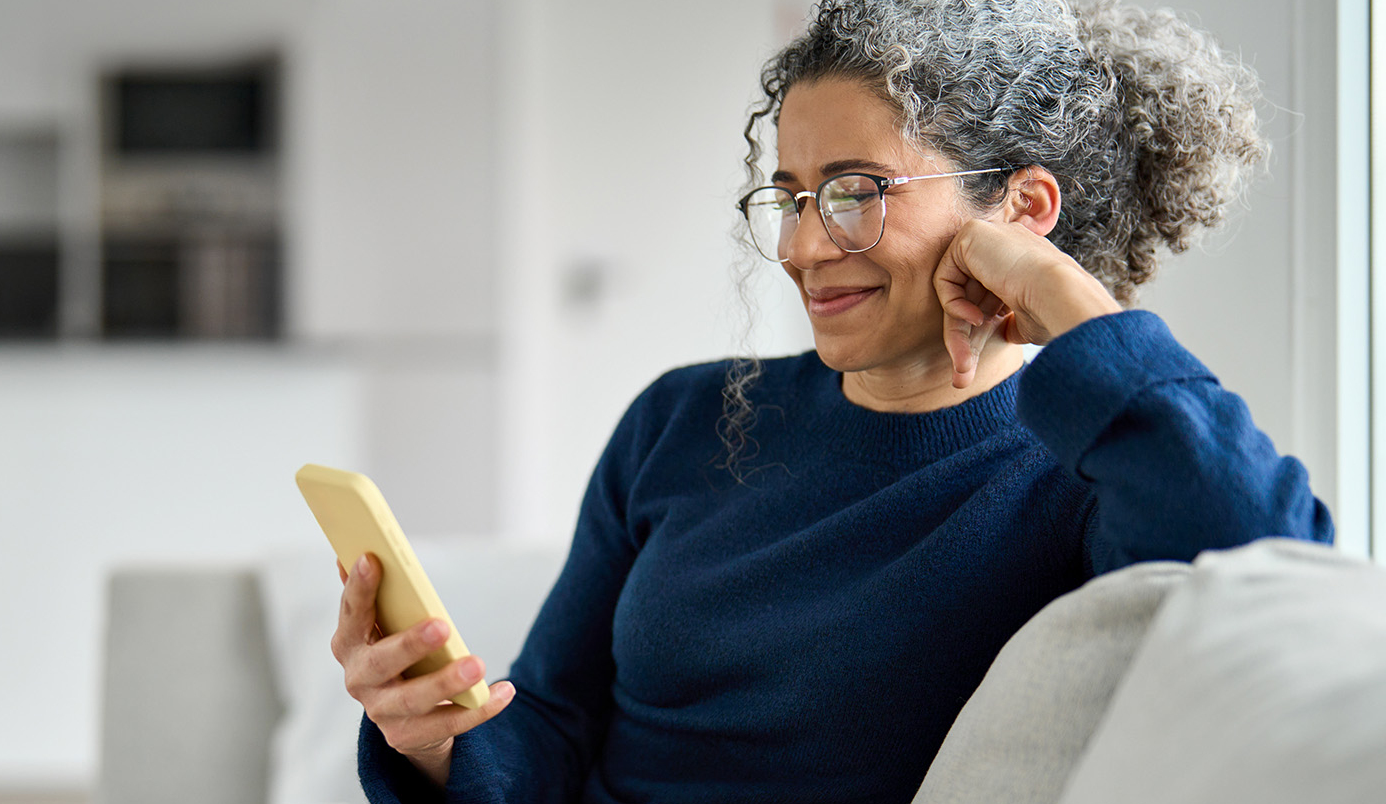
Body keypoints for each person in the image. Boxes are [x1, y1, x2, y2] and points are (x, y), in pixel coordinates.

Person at [330, 1, 1334, 802]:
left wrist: (1071, 300)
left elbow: (1276, 571)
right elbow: (548, 722)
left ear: (1023, 211)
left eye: (857, 192)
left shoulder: (1085, 471)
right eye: (792, 195)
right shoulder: (678, 422)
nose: (802, 248)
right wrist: (431, 742)